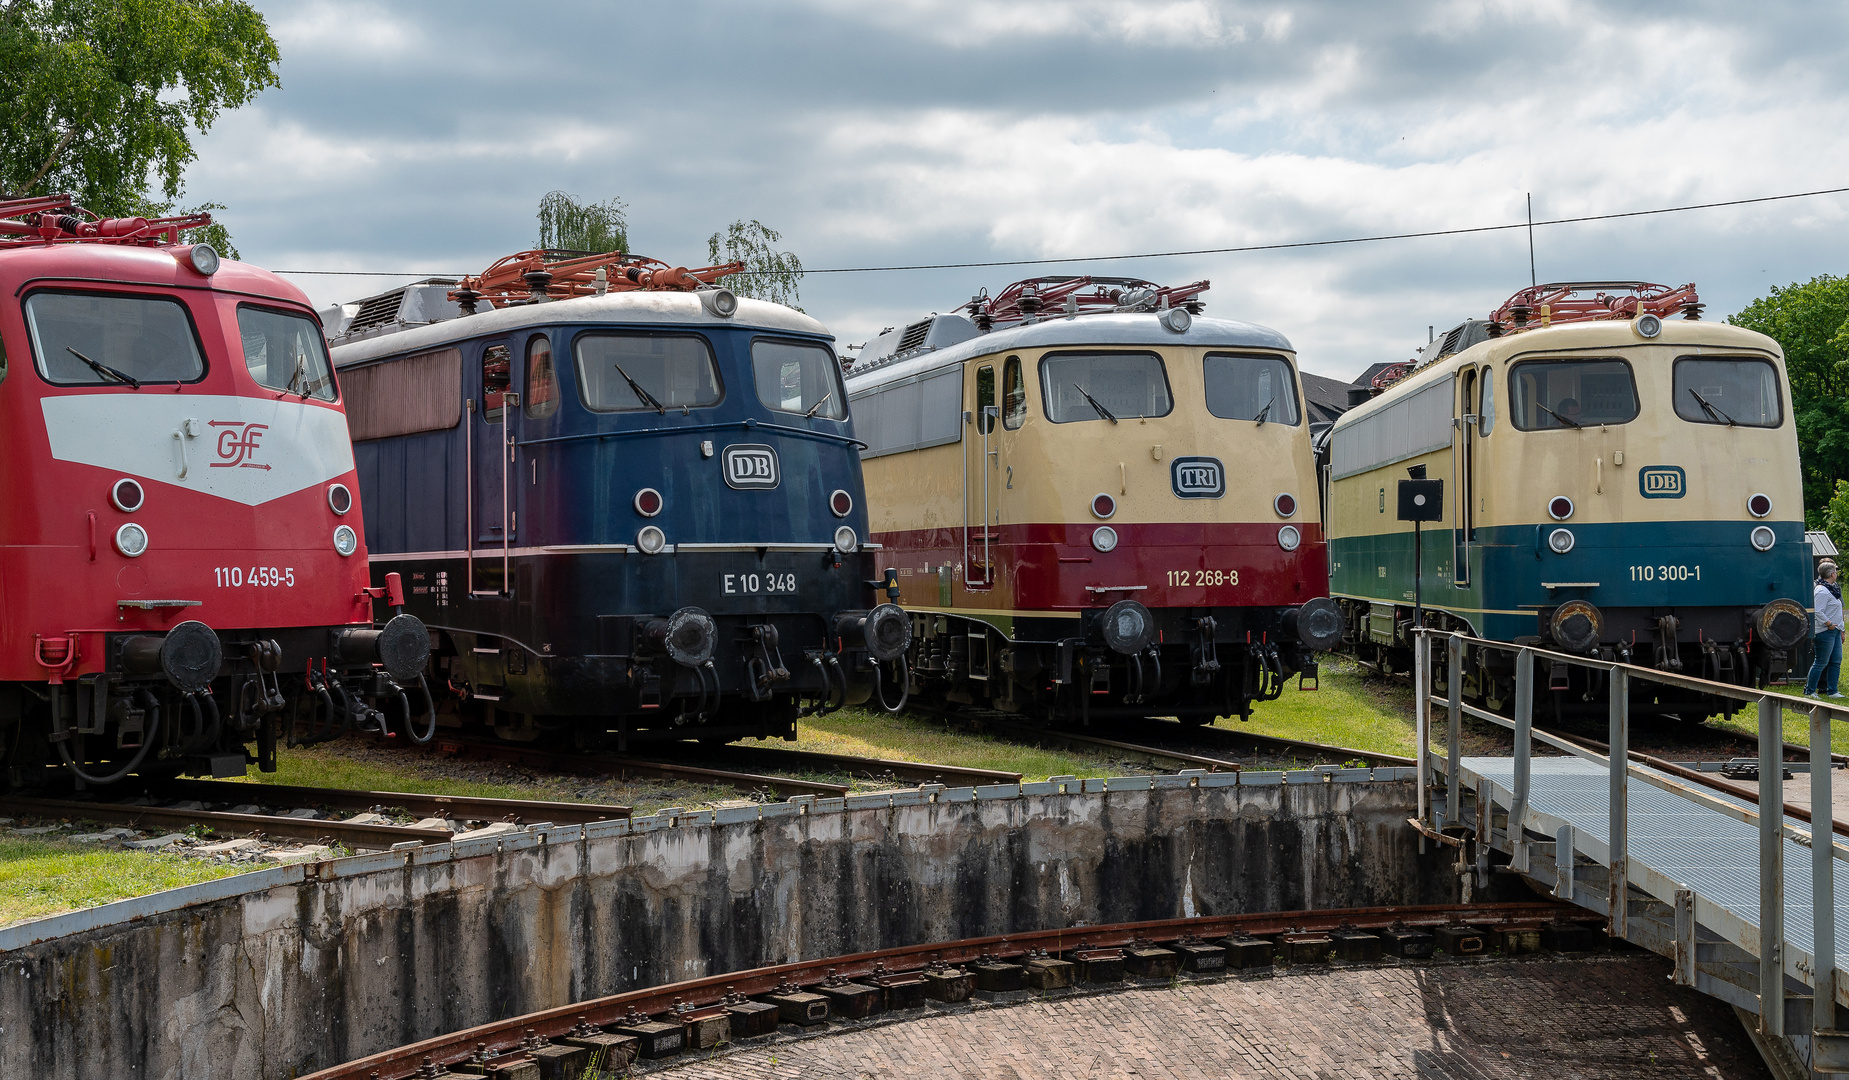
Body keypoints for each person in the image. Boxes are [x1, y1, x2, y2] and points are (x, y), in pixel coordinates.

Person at [1807, 561, 1844, 698]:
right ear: (1831, 574)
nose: (1836, 574)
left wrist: (1841, 628)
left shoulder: (1832, 588)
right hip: (1825, 631)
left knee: (1836, 660)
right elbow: (1818, 611)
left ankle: (1832, 690)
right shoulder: (1821, 590)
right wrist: (1828, 623)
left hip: (1835, 630)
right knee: (1821, 661)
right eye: (1835, 571)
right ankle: (1810, 691)